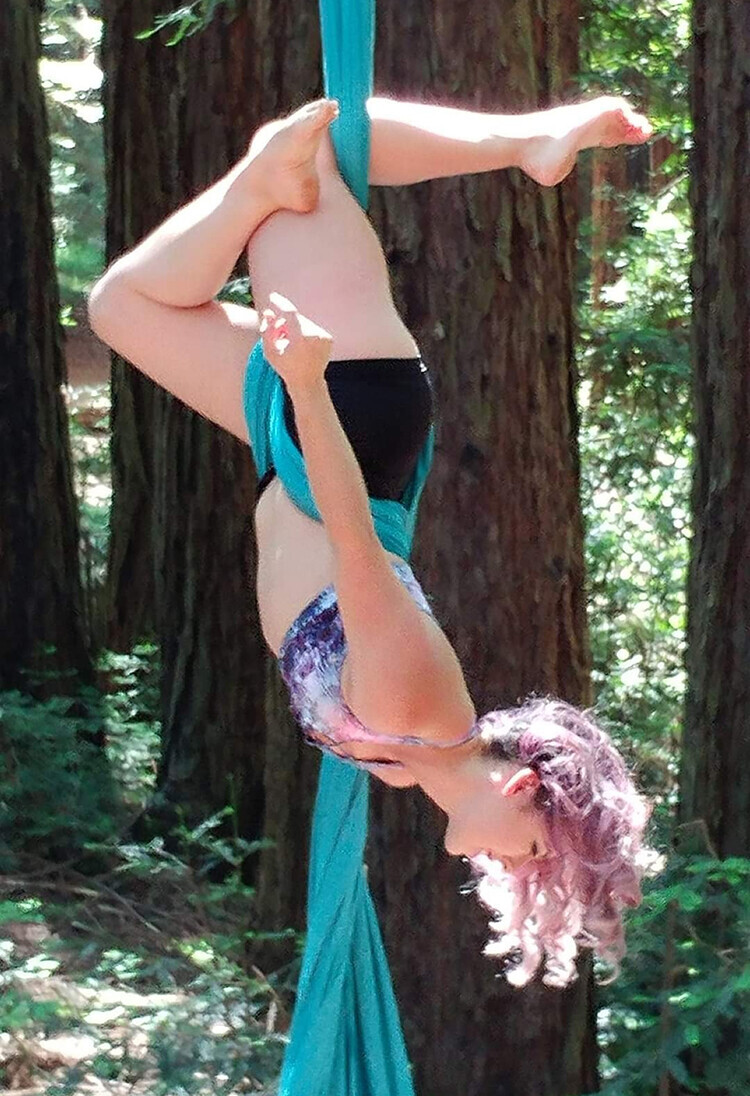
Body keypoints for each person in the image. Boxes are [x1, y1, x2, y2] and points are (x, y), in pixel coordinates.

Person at [89, 93, 653, 988]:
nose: (511, 868)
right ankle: (530, 141)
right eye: (533, 851)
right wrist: (307, 386)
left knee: (125, 306)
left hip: (305, 448)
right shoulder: (422, 712)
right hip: (339, 417)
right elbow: (355, 546)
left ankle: (272, 185)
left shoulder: (404, 761)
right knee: (309, 159)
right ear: (520, 789)